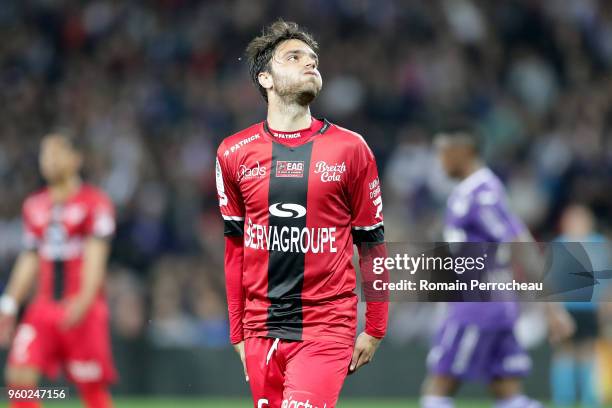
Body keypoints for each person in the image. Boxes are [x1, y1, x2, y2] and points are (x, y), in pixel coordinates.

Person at [215, 20, 388, 408]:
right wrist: (238, 333)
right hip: (261, 327)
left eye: (313, 59)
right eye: (293, 57)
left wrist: (375, 326)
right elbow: (234, 250)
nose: (310, 64)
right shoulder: (232, 153)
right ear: (266, 78)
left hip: (326, 326)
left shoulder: (350, 149)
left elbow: (372, 244)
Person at [421, 125, 574, 408]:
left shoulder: (480, 194)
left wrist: (551, 306)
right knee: (508, 392)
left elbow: (521, 245)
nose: (439, 160)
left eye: (443, 152)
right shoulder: (473, 191)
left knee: (438, 387)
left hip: (476, 306)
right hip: (495, 304)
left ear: (464, 152)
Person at [0, 133, 117, 408]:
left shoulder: (95, 203)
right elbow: (29, 259)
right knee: (18, 377)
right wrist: (8, 305)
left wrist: (84, 301)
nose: (50, 160)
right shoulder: (34, 205)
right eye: (45, 154)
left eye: (57, 153)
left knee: (91, 390)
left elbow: (96, 257)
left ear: (76, 159)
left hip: (81, 307)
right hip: (43, 308)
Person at [551, 204, 608, 407]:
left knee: (587, 353)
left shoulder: (598, 243)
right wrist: (554, 311)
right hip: (566, 308)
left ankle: (588, 400)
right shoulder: (560, 244)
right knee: (565, 353)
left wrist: (605, 307)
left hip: (590, 309)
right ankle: (563, 400)